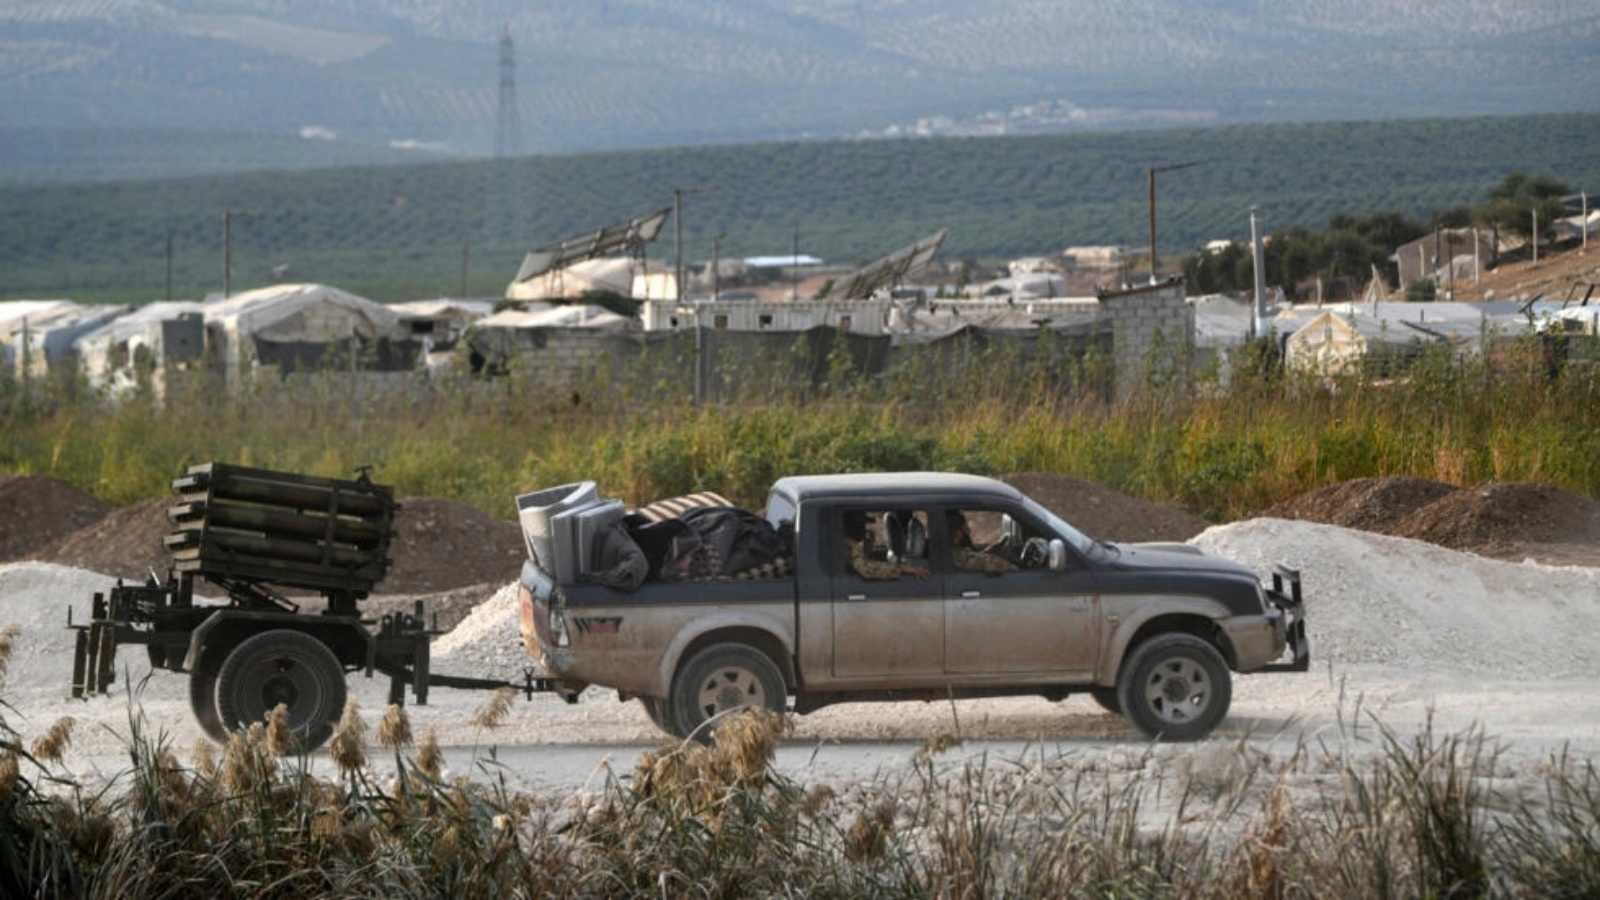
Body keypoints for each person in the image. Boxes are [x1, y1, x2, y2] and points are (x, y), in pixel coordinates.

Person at [844, 510, 928, 580]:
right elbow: (867, 569)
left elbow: (859, 560)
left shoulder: (847, 543)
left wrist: (868, 544)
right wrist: (903, 569)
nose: (864, 528)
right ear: (850, 526)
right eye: (861, 525)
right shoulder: (846, 545)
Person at [946, 510, 1015, 574]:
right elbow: (995, 565)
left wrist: (985, 553)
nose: (969, 530)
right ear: (957, 534)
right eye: (965, 528)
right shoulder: (956, 556)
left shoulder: (947, 553)